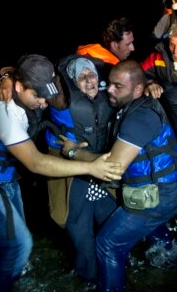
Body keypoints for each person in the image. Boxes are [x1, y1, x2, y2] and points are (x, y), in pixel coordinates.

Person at [0, 54, 123, 292]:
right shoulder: (5, 111)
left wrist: (6, 76)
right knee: (19, 245)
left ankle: (10, 278)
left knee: (17, 247)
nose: (44, 102)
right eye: (38, 95)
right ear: (20, 87)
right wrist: (91, 166)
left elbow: (14, 68)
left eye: (46, 94)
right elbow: (35, 162)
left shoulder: (22, 83)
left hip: (4, 175)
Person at [60, 60, 177, 291]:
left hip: (160, 196)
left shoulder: (138, 118)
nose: (108, 89)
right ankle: (176, 267)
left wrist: (73, 151)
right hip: (174, 188)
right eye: (109, 83)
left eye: (117, 86)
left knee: (107, 244)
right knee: (149, 230)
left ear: (138, 90)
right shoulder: (140, 104)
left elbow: (113, 167)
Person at [43, 55, 117, 286]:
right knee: (81, 235)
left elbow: (135, 79)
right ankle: (88, 280)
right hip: (74, 174)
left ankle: (115, 274)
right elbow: (31, 79)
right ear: (73, 82)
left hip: (101, 172)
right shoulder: (60, 99)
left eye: (91, 75)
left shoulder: (109, 93)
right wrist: (5, 79)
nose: (89, 80)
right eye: (82, 77)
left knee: (114, 229)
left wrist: (151, 84)